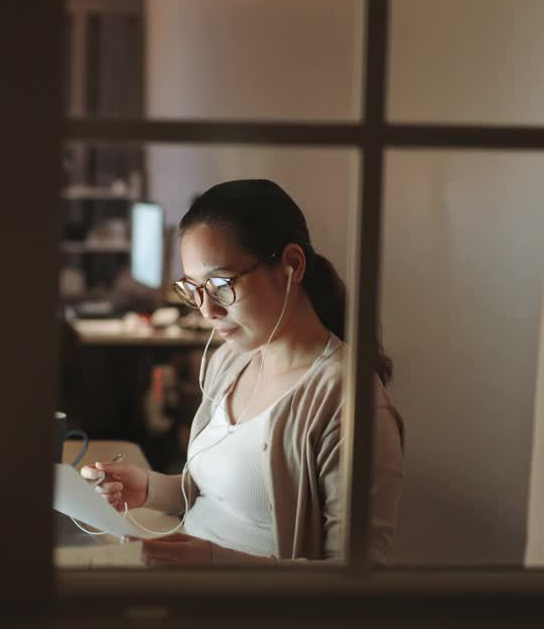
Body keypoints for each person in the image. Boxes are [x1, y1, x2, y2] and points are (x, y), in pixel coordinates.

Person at [81, 179, 404, 566]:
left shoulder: (347, 401)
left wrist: (219, 564)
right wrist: (150, 487)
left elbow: (359, 577)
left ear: (291, 266)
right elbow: (216, 494)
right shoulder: (229, 362)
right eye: (193, 288)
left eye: (220, 284)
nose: (206, 309)